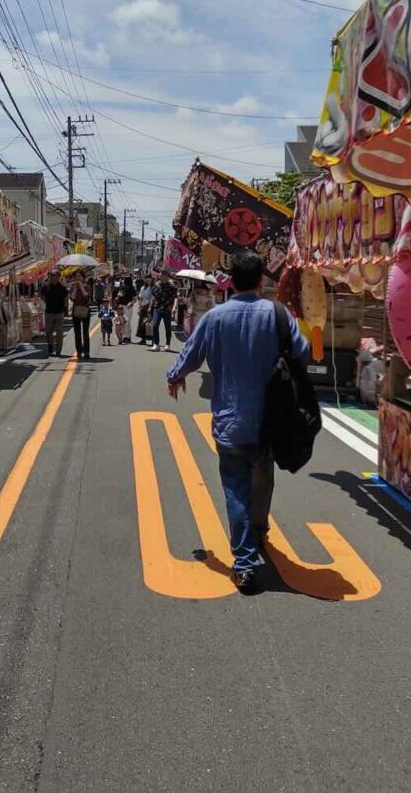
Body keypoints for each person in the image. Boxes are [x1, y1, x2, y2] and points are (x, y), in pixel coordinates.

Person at [166, 251, 308, 594]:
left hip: (230, 420)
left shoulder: (215, 318)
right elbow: (302, 351)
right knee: (263, 477)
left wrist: (175, 376)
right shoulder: (278, 315)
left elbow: (190, 355)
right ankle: (258, 531)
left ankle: (244, 563)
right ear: (261, 281)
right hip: (270, 420)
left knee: (236, 488)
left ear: (230, 280)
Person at [41, 269, 67, 357]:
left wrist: (65, 309)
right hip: (49, 312)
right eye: (51, 275)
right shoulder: (46, 286)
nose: (52, 277)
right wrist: (47, 304)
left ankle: (58, 350)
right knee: (48, 331)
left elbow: (65, 299)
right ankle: (50, 346)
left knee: (59, 332)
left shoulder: (62, 288)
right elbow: (43, 297)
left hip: (59, 312)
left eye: (55, 275)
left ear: (59, 277)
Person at [149, 271, 177, 351]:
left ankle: (167, 344)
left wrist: (174, 307)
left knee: (167, 327)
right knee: (155, 325)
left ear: (166, 276)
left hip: (167, 308)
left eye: (162, 276)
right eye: (160, 276)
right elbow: (153, 296)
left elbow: (175, 297)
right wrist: (150, 307)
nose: (160, 277)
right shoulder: (157, 285)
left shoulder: (171, 286)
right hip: (157, 308)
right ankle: (156, 344)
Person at [68, 272, 92, 360]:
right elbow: (72, 298)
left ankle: (86, 351)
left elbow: (86, 296)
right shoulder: (73, 287)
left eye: (79, 276)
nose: (78, 278)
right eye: (76, 277)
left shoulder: (87, 286)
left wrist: (81, 286)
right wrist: (75, 288)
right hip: (76, 310)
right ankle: (79, 351)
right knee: (77, 332)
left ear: (83, 277)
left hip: (85, 310)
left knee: (85, 331)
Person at [136, 278, 153, 345]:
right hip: (143, 307)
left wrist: (148, 306)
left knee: (150, 324)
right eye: (146, 278)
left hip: (149, 307)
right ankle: (143, 339)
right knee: (142, 323)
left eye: (149, 278)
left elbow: (152, 298)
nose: (147, 280)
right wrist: (140, 305)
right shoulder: (143, 288)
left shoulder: (152, 288)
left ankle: (152, 340)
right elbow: (140, 297)